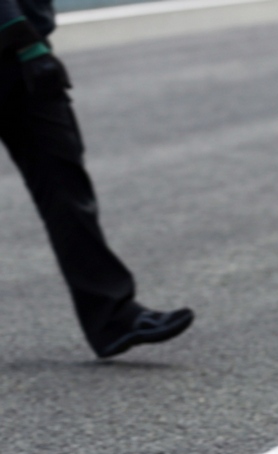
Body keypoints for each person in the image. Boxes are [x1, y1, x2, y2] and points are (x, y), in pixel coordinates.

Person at [1, 0, 193, 357]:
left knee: (66, 189)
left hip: (24, 56)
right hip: (21, 48)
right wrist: (26, 42)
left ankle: (112, 317)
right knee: (65, 190)